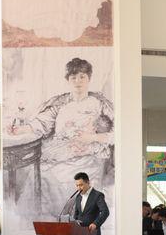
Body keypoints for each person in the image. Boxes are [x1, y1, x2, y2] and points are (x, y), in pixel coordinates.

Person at [9, 57, 114, 217]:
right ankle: (40, 219)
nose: (78, 81)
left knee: (67, 179)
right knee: (38, 172)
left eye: (82, 77)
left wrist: (92, 137)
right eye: (73, 77)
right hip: (57, 151)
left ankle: (70, 218)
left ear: (89, 78)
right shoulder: (60, 103)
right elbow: (42, 123)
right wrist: (19, 130)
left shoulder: (99, 103)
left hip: (87, 153)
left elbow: (117, 132)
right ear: (68, 80)